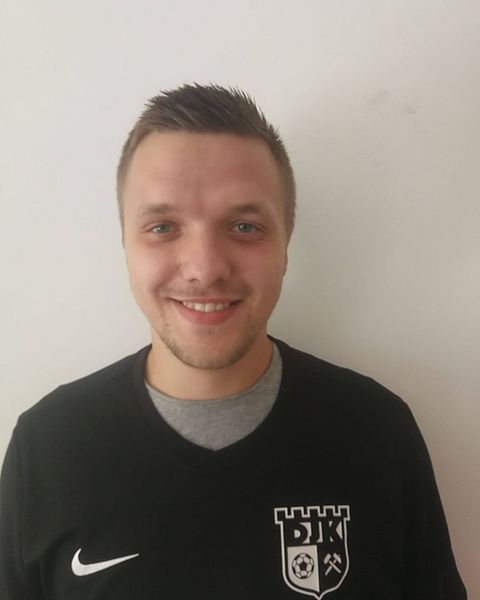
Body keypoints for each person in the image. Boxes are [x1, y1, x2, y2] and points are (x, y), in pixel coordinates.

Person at [0, 84, 466, 599]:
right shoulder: (47, 447)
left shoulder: (378, 432)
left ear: (285, 246)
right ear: (126, 244)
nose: (205, 269)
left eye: (244, 226)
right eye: (163, 227)